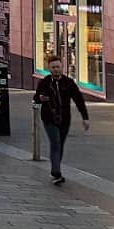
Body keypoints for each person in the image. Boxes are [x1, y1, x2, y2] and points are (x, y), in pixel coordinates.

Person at [33, 55, 90, 185]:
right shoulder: (44, 82)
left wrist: (85, 117)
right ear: (49, 68)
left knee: (60, 145)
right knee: (56, 143)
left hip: (64, 119)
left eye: (58, 67)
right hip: (49, 118)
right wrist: (40, 98)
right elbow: (36, 97)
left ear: (62, 67)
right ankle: (56, 173)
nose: (56, 69)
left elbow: (79, 100)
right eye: (53, 67)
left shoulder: (69, 83)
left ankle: (55, 170)